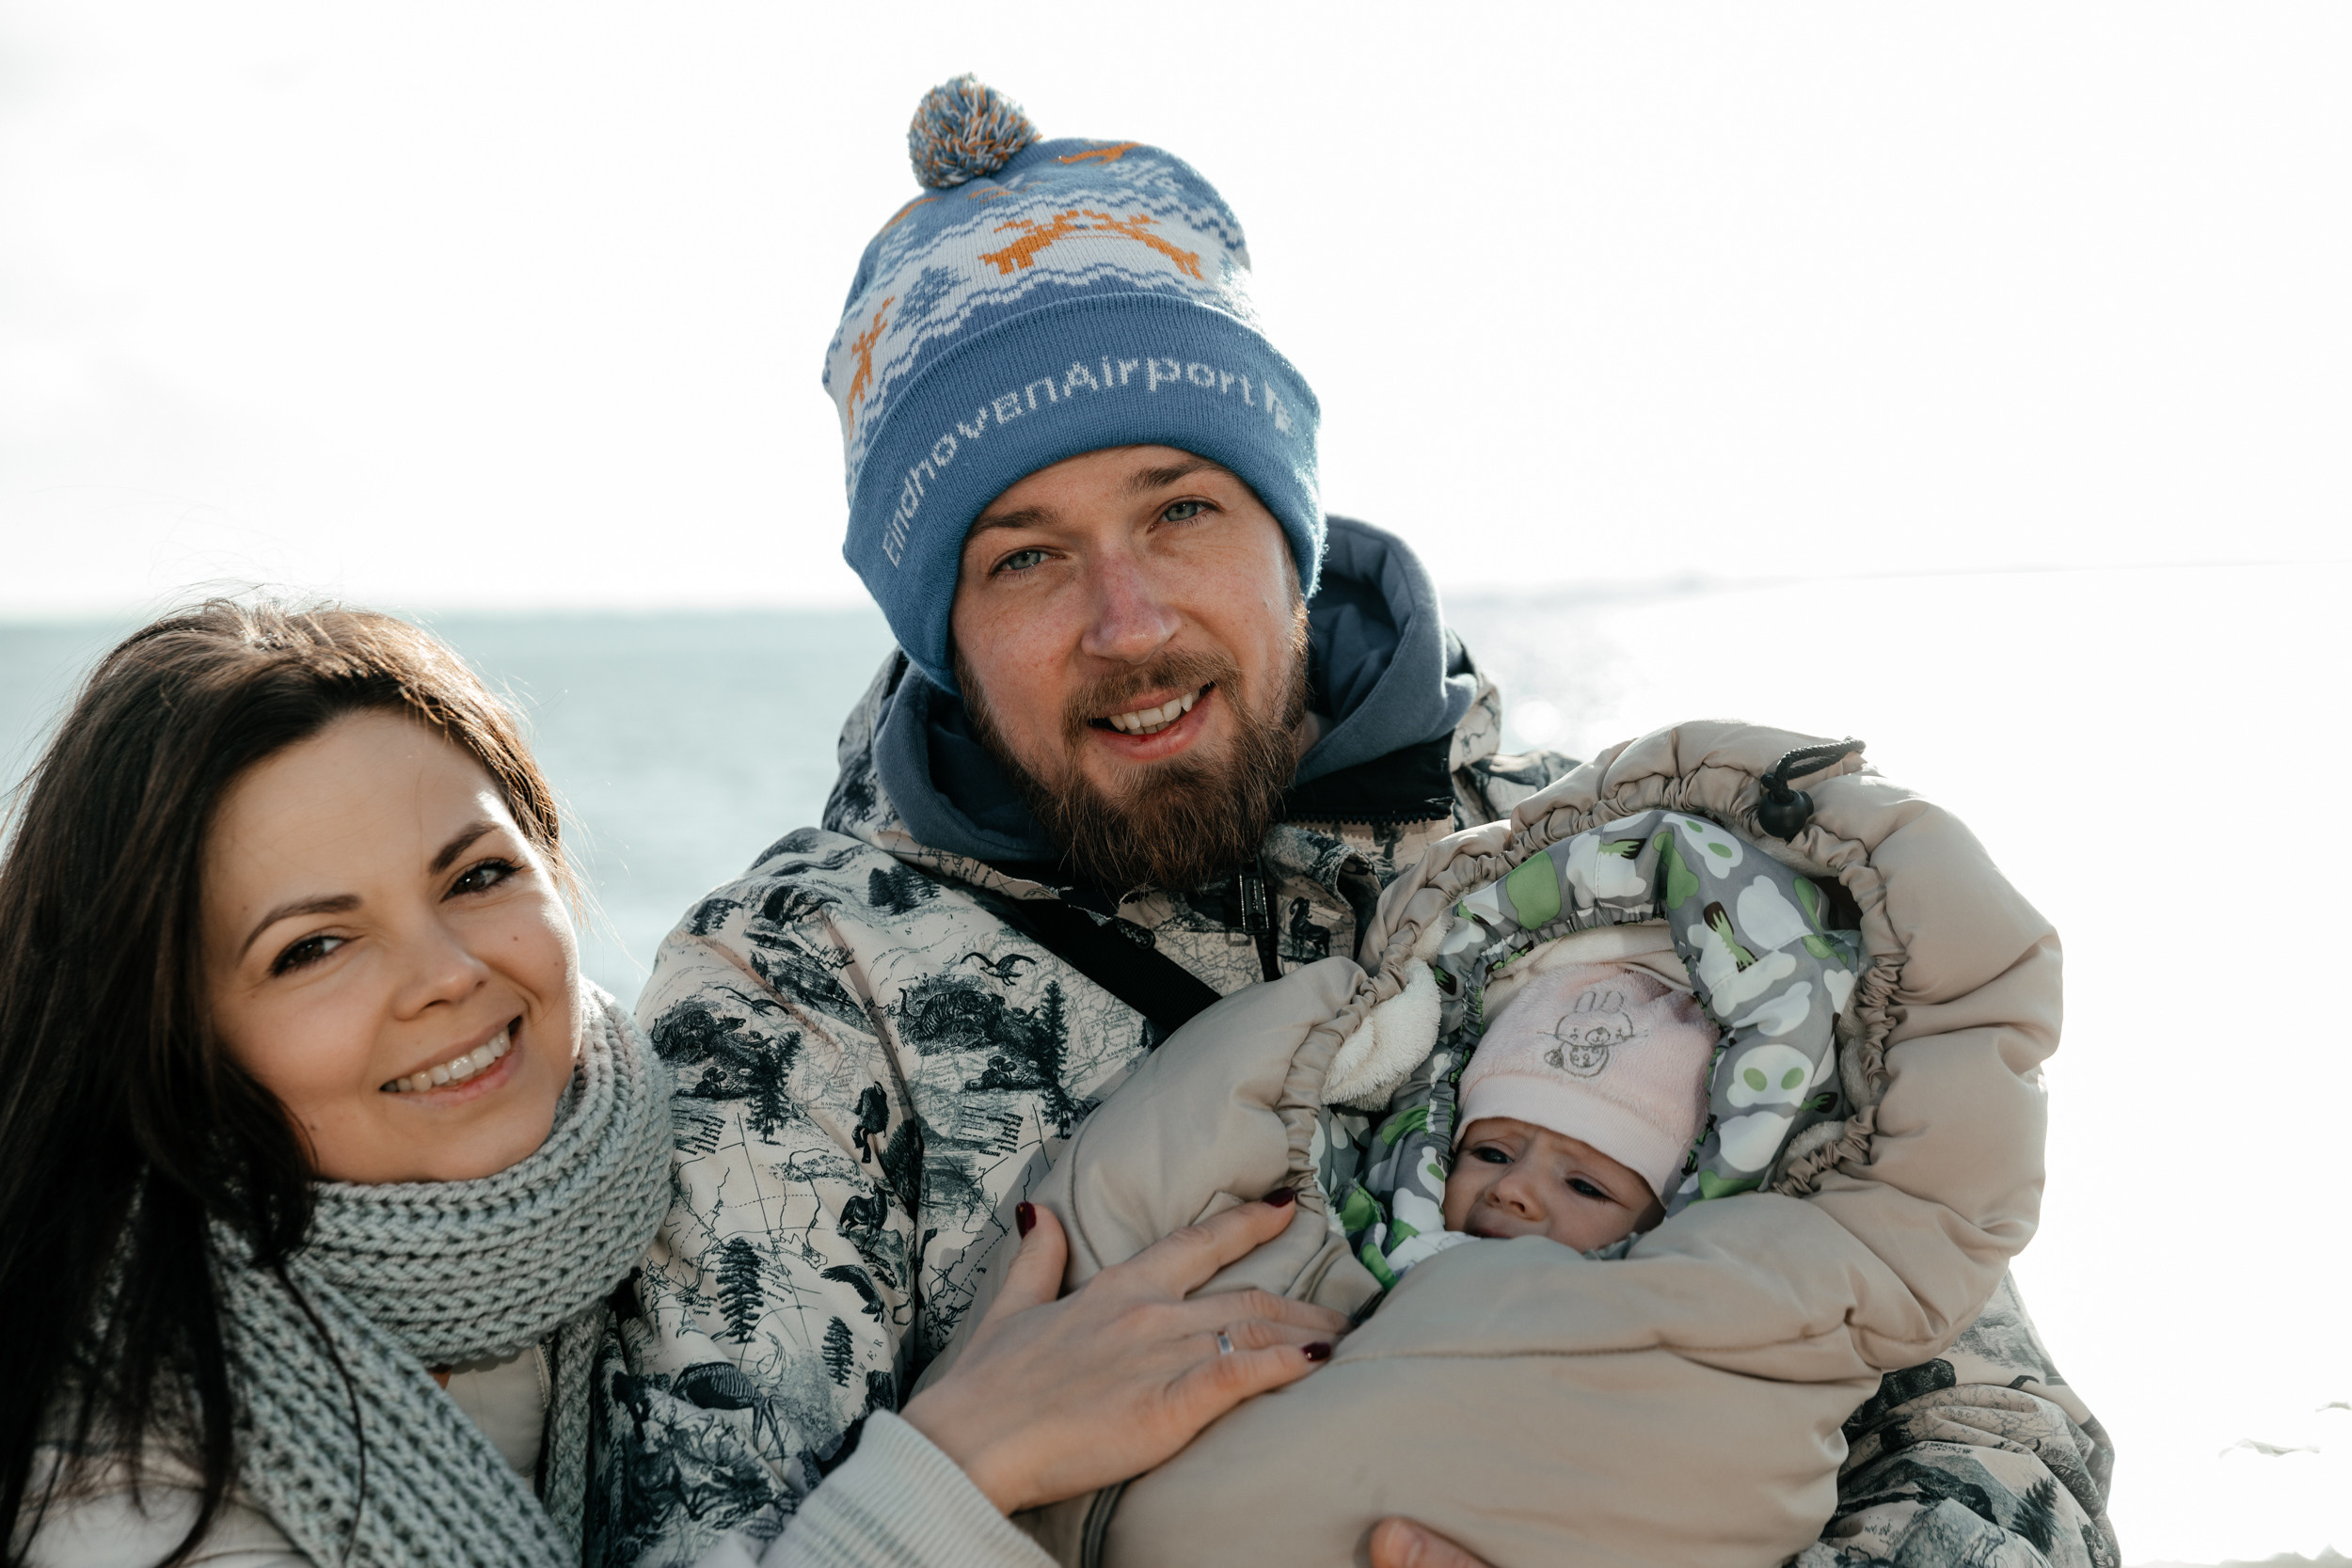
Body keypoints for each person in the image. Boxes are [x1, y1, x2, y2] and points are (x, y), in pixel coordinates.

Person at [612, 78, 2118, 1568]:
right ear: (940, 619)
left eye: (1183, 508)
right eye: (1023, 558)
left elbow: (1999, 1430)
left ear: (1290, 529)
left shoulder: (1620, 882)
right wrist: (966, 1458)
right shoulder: (801, 989)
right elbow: (700, 1532)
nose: (1127, 622)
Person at [0, 601, 673, 1568]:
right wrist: (933, 1478)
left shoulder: (689, 1163)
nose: (446, 972)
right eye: (314, 946)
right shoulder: (126, 1488)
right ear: (171, 1045)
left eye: (477, 877)